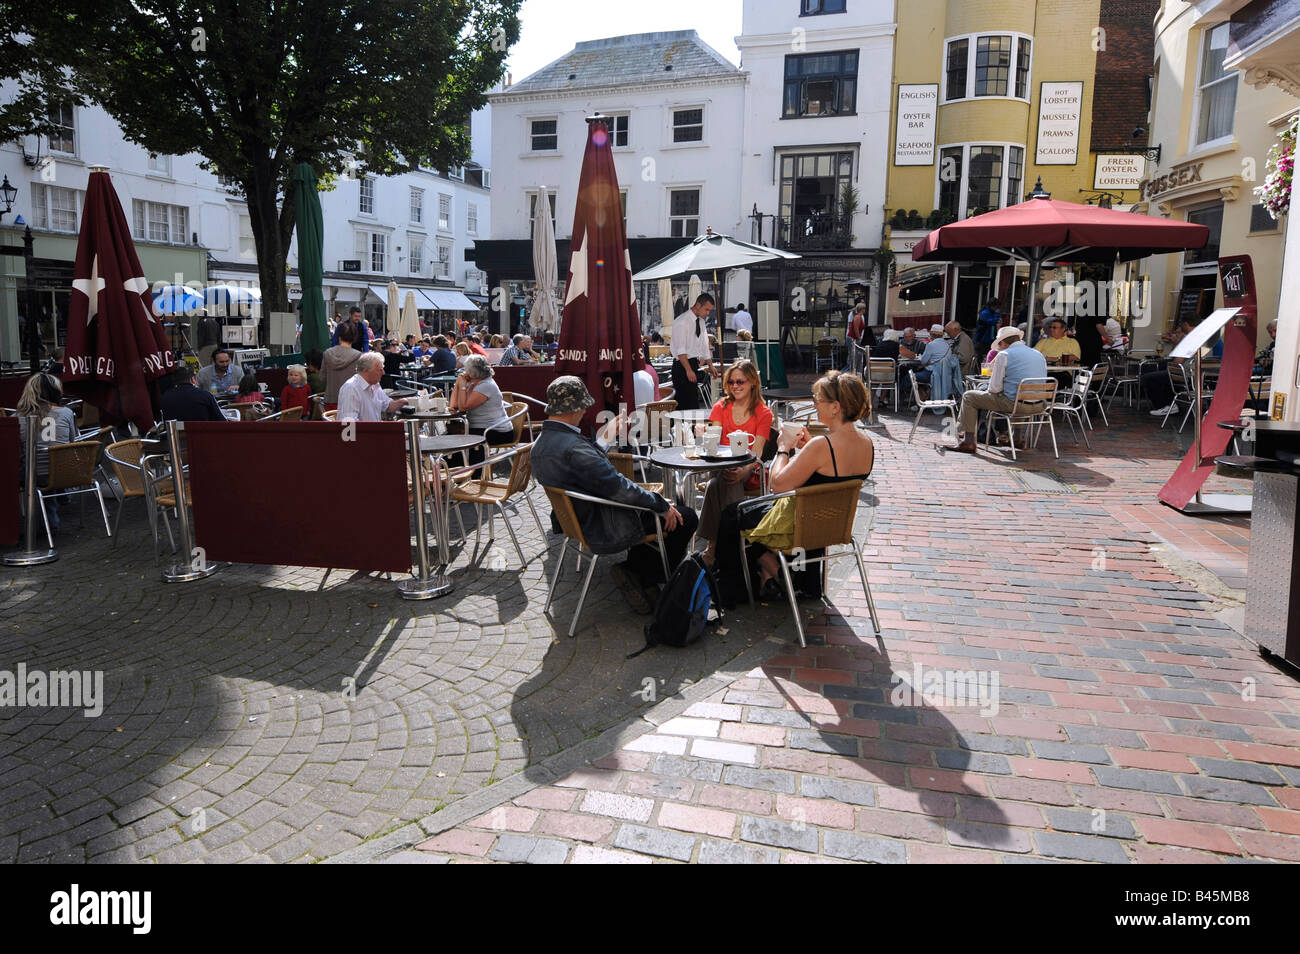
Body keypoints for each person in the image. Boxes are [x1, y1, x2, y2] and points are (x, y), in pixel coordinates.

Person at [531, 375, 697, 612]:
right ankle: (641, 574)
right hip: (603, 523)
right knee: (686, 516)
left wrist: (604, 441)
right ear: (577, 407)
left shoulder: (541, 444)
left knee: (657, 509)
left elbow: (586, 474)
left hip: (577, 520)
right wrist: (660, 504)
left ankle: (637, 569)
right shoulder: (573, 446)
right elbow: (616, 487)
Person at [713, 371, 874, 607]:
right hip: (829, 526)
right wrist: (808, 447)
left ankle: (733, 590)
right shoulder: (866, 443)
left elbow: (777, 485)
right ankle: (783, 573)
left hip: (799, 527)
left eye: (818, 400)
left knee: (731, 514)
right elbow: (829, 477)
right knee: (762, 512)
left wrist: (784, 449)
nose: (814, 405)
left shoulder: (823, 444)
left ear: (835, 407)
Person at [697, 360, 773, 563]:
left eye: (740, 381)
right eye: (731, 382)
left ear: (752, 383)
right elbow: (711, 444)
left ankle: (712, 547)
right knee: (723, 478)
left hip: (750, 469)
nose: (735, 386)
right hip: (719, 466)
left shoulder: (764, 413)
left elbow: (756, 452)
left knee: (718, 484)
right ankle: (733, 545)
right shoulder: (721, 407)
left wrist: (743, 471)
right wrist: (703, 436)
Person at [953, 326, 1048, 453]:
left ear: (1003, 343)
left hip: (1014, 405)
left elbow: (994, 388)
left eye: (1000, 345)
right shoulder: (1038, 354)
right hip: (1040, 405)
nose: (999, 348)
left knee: (969, 397)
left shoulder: (1005, 354)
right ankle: (1017, 438)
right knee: (1020, 396)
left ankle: (968, 441)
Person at [16, 373, 78, 530]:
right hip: (66, 472)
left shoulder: (17, 418)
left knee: (36, 467)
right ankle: (61, 500)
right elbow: (72, 441)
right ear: (55, 392)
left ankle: (47, 520)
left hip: (33, 474)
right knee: (53, 462)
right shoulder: (66, 413)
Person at [450, 354, 516, 473]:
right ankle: (458, 474)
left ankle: (471, 475)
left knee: (458, 441)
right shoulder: (474, 383)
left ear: (472, 372)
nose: (464, 372)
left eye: (466, 369)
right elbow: (454, 406)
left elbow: (463, 407)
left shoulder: (486, 385)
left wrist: (462, 386)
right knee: (452, 438)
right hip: (483, 428)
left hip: (498, 431)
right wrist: (458, 385)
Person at [670, 292, 718, 411]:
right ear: (698, 305)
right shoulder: (682, 321)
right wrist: (688, 370)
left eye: (709, 310)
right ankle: (682, 429)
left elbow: (704, 345)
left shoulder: (700, 322)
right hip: (682, 365)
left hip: (692, 363)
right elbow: (680, 349)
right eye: (706, 309)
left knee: (692, 403)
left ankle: (691, 428)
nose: (708, 313)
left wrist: (710, 365)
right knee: (684, 404)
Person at [337, 352, 406, 422]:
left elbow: (387, 405)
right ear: (366, 370)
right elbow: (348, 424)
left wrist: (405, 401)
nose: (383, 373)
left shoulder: (374, 384)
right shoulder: (351, 388)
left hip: (375, 430)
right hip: (365, 432)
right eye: (380, 369)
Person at [161, 364, 227, 422]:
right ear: (193, 379)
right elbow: (221, 421)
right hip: (201, 434)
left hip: (175, 435)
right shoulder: (205, 395)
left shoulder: (166, 397)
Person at [917, 323, 962, 406]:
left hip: (932, 373)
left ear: (931, 334)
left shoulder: (931, 345)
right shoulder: (947, 345)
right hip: (945, 375)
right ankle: (924, 395)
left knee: (910, 377)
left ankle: (920, 398)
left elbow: (923, 361)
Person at [322, 323, 362, 411]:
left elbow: (322, 378)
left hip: (331, 400)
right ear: (354, 337)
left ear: (338, 336)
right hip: (351, 400)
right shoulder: (358, 356)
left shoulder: (327, 353)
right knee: (349, 425)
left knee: (332, 424)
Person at [1035, 318, 1082, 390]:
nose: (1051, 329)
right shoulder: (1043, 341)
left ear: (1063, 329)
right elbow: (1033, 355)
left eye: (1054, 327)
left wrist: (1057, 359)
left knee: (1051, 380)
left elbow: (1076, 357)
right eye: (1050, 327)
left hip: (1062, 373)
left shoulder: (1072, 342)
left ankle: (1046, 399)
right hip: (1043, 371)